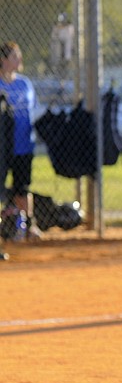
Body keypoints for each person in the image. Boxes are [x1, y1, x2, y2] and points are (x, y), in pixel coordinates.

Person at [0, 41, 41, 241]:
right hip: (2, 147)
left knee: (22, 187)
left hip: (24, 144)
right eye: (15, 56)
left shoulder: (25, 84)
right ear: (3, 60)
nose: (19, 60)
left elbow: (34, 110)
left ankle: (28, 225)